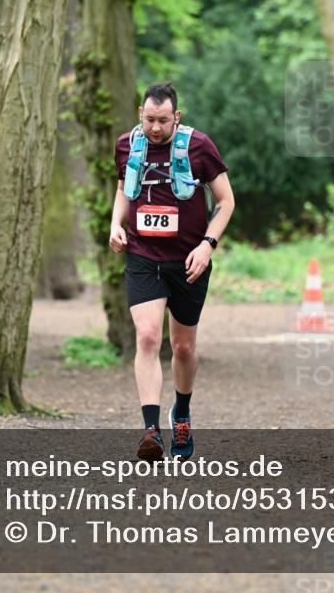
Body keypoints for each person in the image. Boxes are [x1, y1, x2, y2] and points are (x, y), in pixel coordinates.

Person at [109, 82, 234, 461]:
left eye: (163, 121)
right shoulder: (127, 145)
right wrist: (116, 223)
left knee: (182, 346)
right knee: (147, 337)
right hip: (144, 255)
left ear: (176, 117)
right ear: (140, 114)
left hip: (188, 260)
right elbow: (122, 188)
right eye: (149, 120)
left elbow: (226, 201)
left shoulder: (199, 147)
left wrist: (206, 246)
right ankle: (151, 432)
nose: (155, 128)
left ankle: (181, 411)